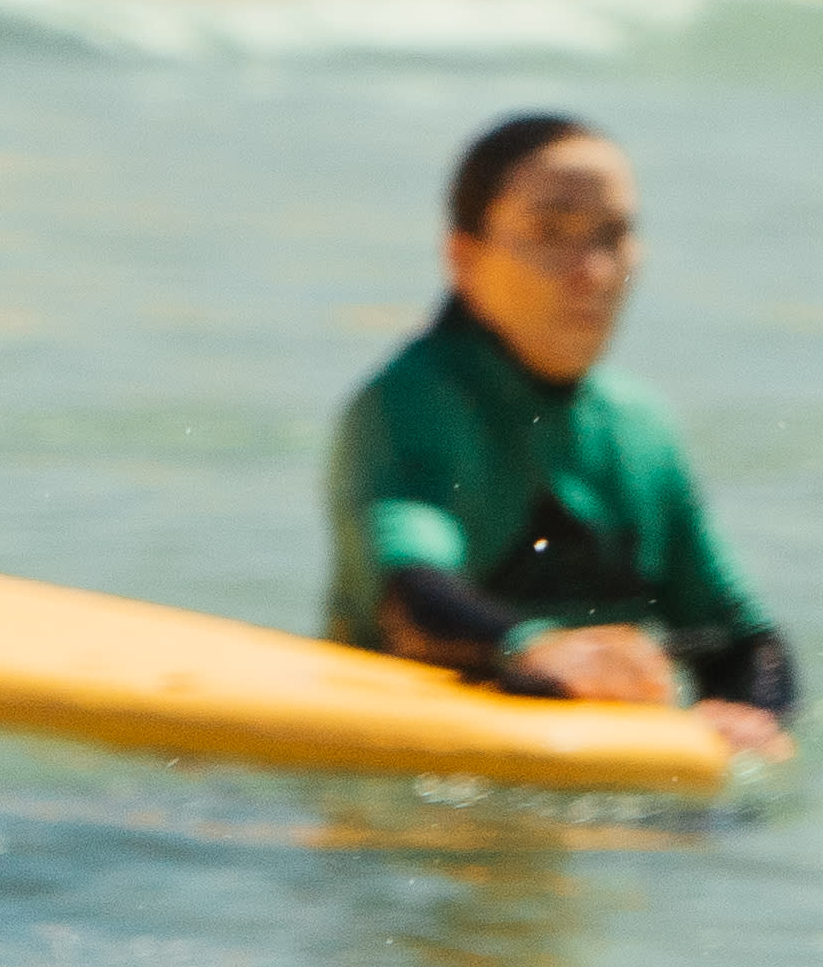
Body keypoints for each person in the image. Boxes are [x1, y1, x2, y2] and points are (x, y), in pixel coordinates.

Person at [326, 112, 795, 765]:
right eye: (551, 232)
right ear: (463, 257)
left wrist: (748, 715)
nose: (593, 271)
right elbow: (408, 595)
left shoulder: (640, 428)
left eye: (613, 235)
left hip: (593, 797)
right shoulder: (409, 406)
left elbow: (742, 639)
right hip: (408, 788)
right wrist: (536, 647)